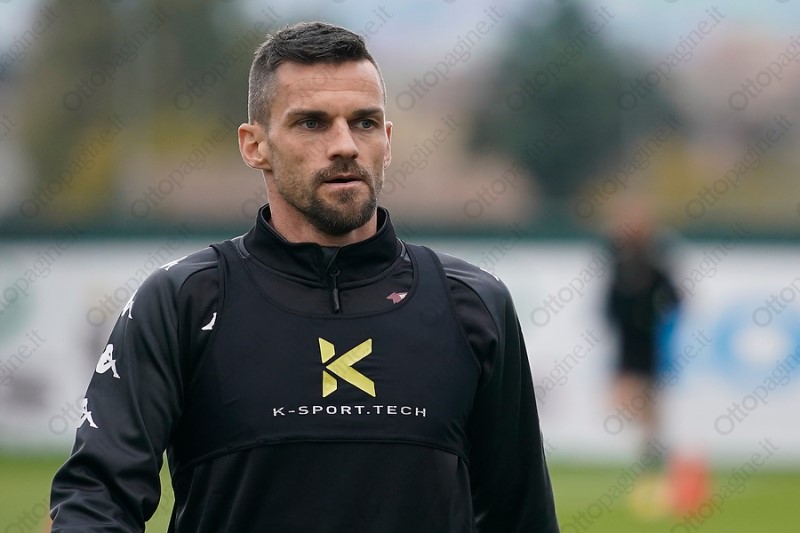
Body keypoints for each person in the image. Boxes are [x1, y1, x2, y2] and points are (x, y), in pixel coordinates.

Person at [49, 21, 559, 532]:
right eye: (312, 123)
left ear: (387, 140)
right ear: (255, 145)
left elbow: (521, 519)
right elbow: (96, 500)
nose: (344, 145)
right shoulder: (184, 302)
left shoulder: (473, 305)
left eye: (364, 122)